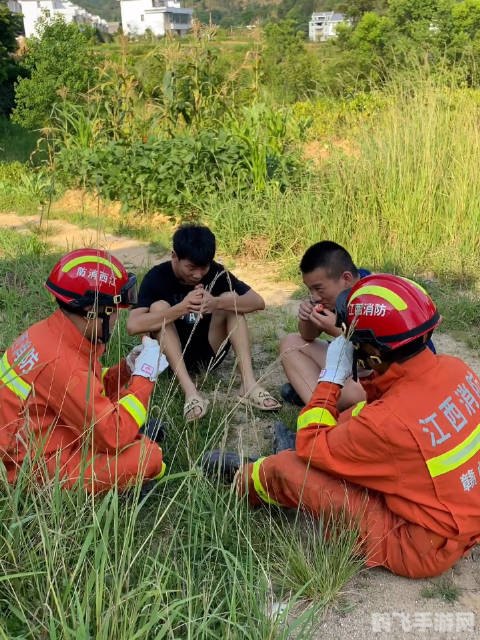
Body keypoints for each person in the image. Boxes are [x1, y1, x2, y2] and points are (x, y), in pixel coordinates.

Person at [204, 275, 480, 578]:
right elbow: (382, 409)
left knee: (290, 467)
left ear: (373, 355)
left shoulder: (387, 422)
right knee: (359, 413)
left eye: (353, 341)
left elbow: (309, 448)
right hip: (452, 506)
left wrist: (331, 378)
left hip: (419, 544)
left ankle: (247, 480)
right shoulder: (455, 368)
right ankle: (327, 456)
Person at [0, 248, 165, 493]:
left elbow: (89, 389)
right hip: (34, 466)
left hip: (48, 435)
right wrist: (145, 376)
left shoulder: (52, 333)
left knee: (133, 440)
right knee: (150, 457)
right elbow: (112, 436)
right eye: (114, 312)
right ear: (93, 312)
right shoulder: (64, 361)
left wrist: (126, 369)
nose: (116, 320)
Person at [127, 224, 281, 421]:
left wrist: (216, 302)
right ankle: (191, 392)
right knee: (159, 307)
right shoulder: (157, 277)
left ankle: (248, 384)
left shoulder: (216, 273)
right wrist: (182, 308)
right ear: (174, 256)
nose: (198, 274)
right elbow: (133, 325)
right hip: (170, 358)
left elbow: (258, 302)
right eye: (191, 267)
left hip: (209, 353)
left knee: (230, 300)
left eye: (203, 267)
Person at [280, 241, 370, 411]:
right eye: (310, 290)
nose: (314, 297)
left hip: (384, 371)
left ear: (346, 279)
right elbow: (308, 336)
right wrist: (307, 318)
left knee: (357, 391)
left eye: (318, 289)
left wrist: (337, 330)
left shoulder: (373, 297)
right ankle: (318, 405)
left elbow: (383, 354)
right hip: (354, 365)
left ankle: (316, 405)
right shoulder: (333, 295)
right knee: (290, 343)